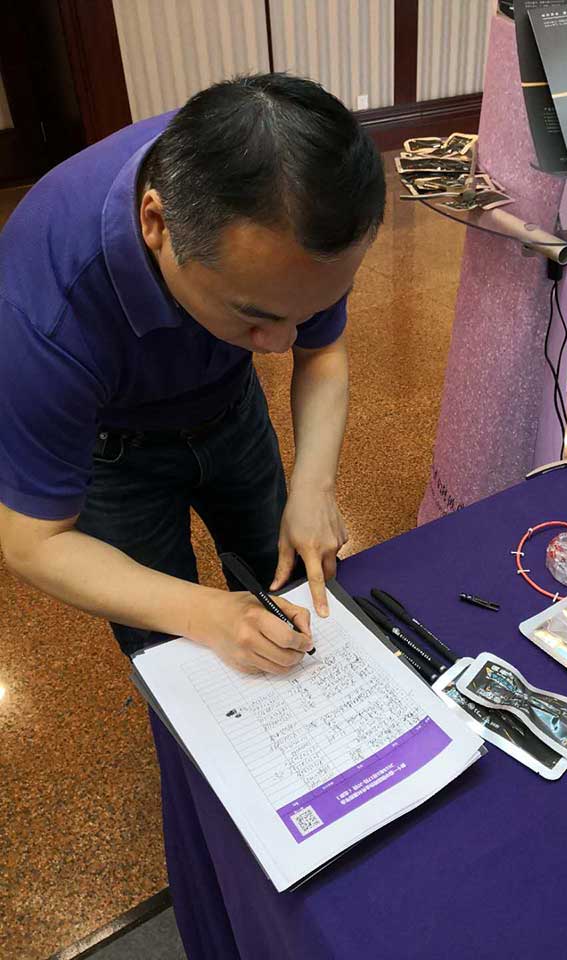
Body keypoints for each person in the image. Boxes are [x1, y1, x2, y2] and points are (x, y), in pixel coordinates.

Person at [0, 73, 386, 675]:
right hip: (113, 452)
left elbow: (321, 353)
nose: (282, 344)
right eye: (255, 316)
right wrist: (205, 614)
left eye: (307, 312)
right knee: (172, 644)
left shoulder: (293, 201)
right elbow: (33, 542)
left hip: (230, 408)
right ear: (156, 224)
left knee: (284, 574)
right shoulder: (41, 310)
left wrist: (314, 485)